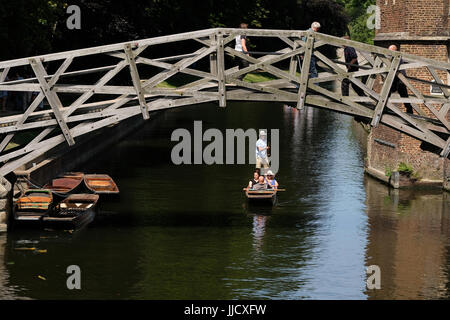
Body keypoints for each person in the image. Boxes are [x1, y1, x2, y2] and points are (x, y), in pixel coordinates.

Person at [388, 45, 413, 114]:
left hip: (399, 78)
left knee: (403, 94)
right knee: (388, 91)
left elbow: (395, 68)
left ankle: (410, 110)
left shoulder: (397, 58)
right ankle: (384, 107)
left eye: (391, 51)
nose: (389, 52)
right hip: (396, 78)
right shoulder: (392, 58)